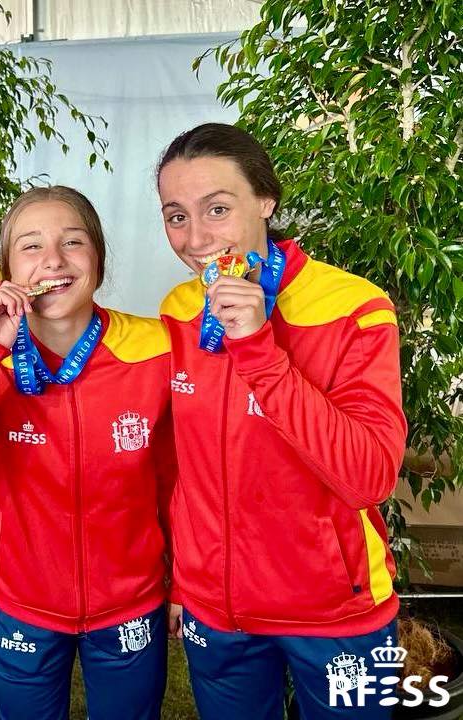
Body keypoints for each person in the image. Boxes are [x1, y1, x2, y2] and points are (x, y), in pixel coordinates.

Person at [0, 186, 174, 720]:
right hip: (22, 605)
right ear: (8, 268)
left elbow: (179, 479)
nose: (54, 261)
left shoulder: (153, 350)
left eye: (73, 242)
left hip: (131, 603)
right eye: (31, 246)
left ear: (98, 259)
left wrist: (183, 579)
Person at [155, 123, 407, 719]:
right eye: (175, 215)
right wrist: (182, 581)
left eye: (217, 208)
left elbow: (369, 477)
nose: (195, 238)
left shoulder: (353, 307)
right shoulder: (178, 309)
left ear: (266, 200)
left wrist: (259, 351)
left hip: (337, 613)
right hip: (219, 613)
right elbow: (180, 466)